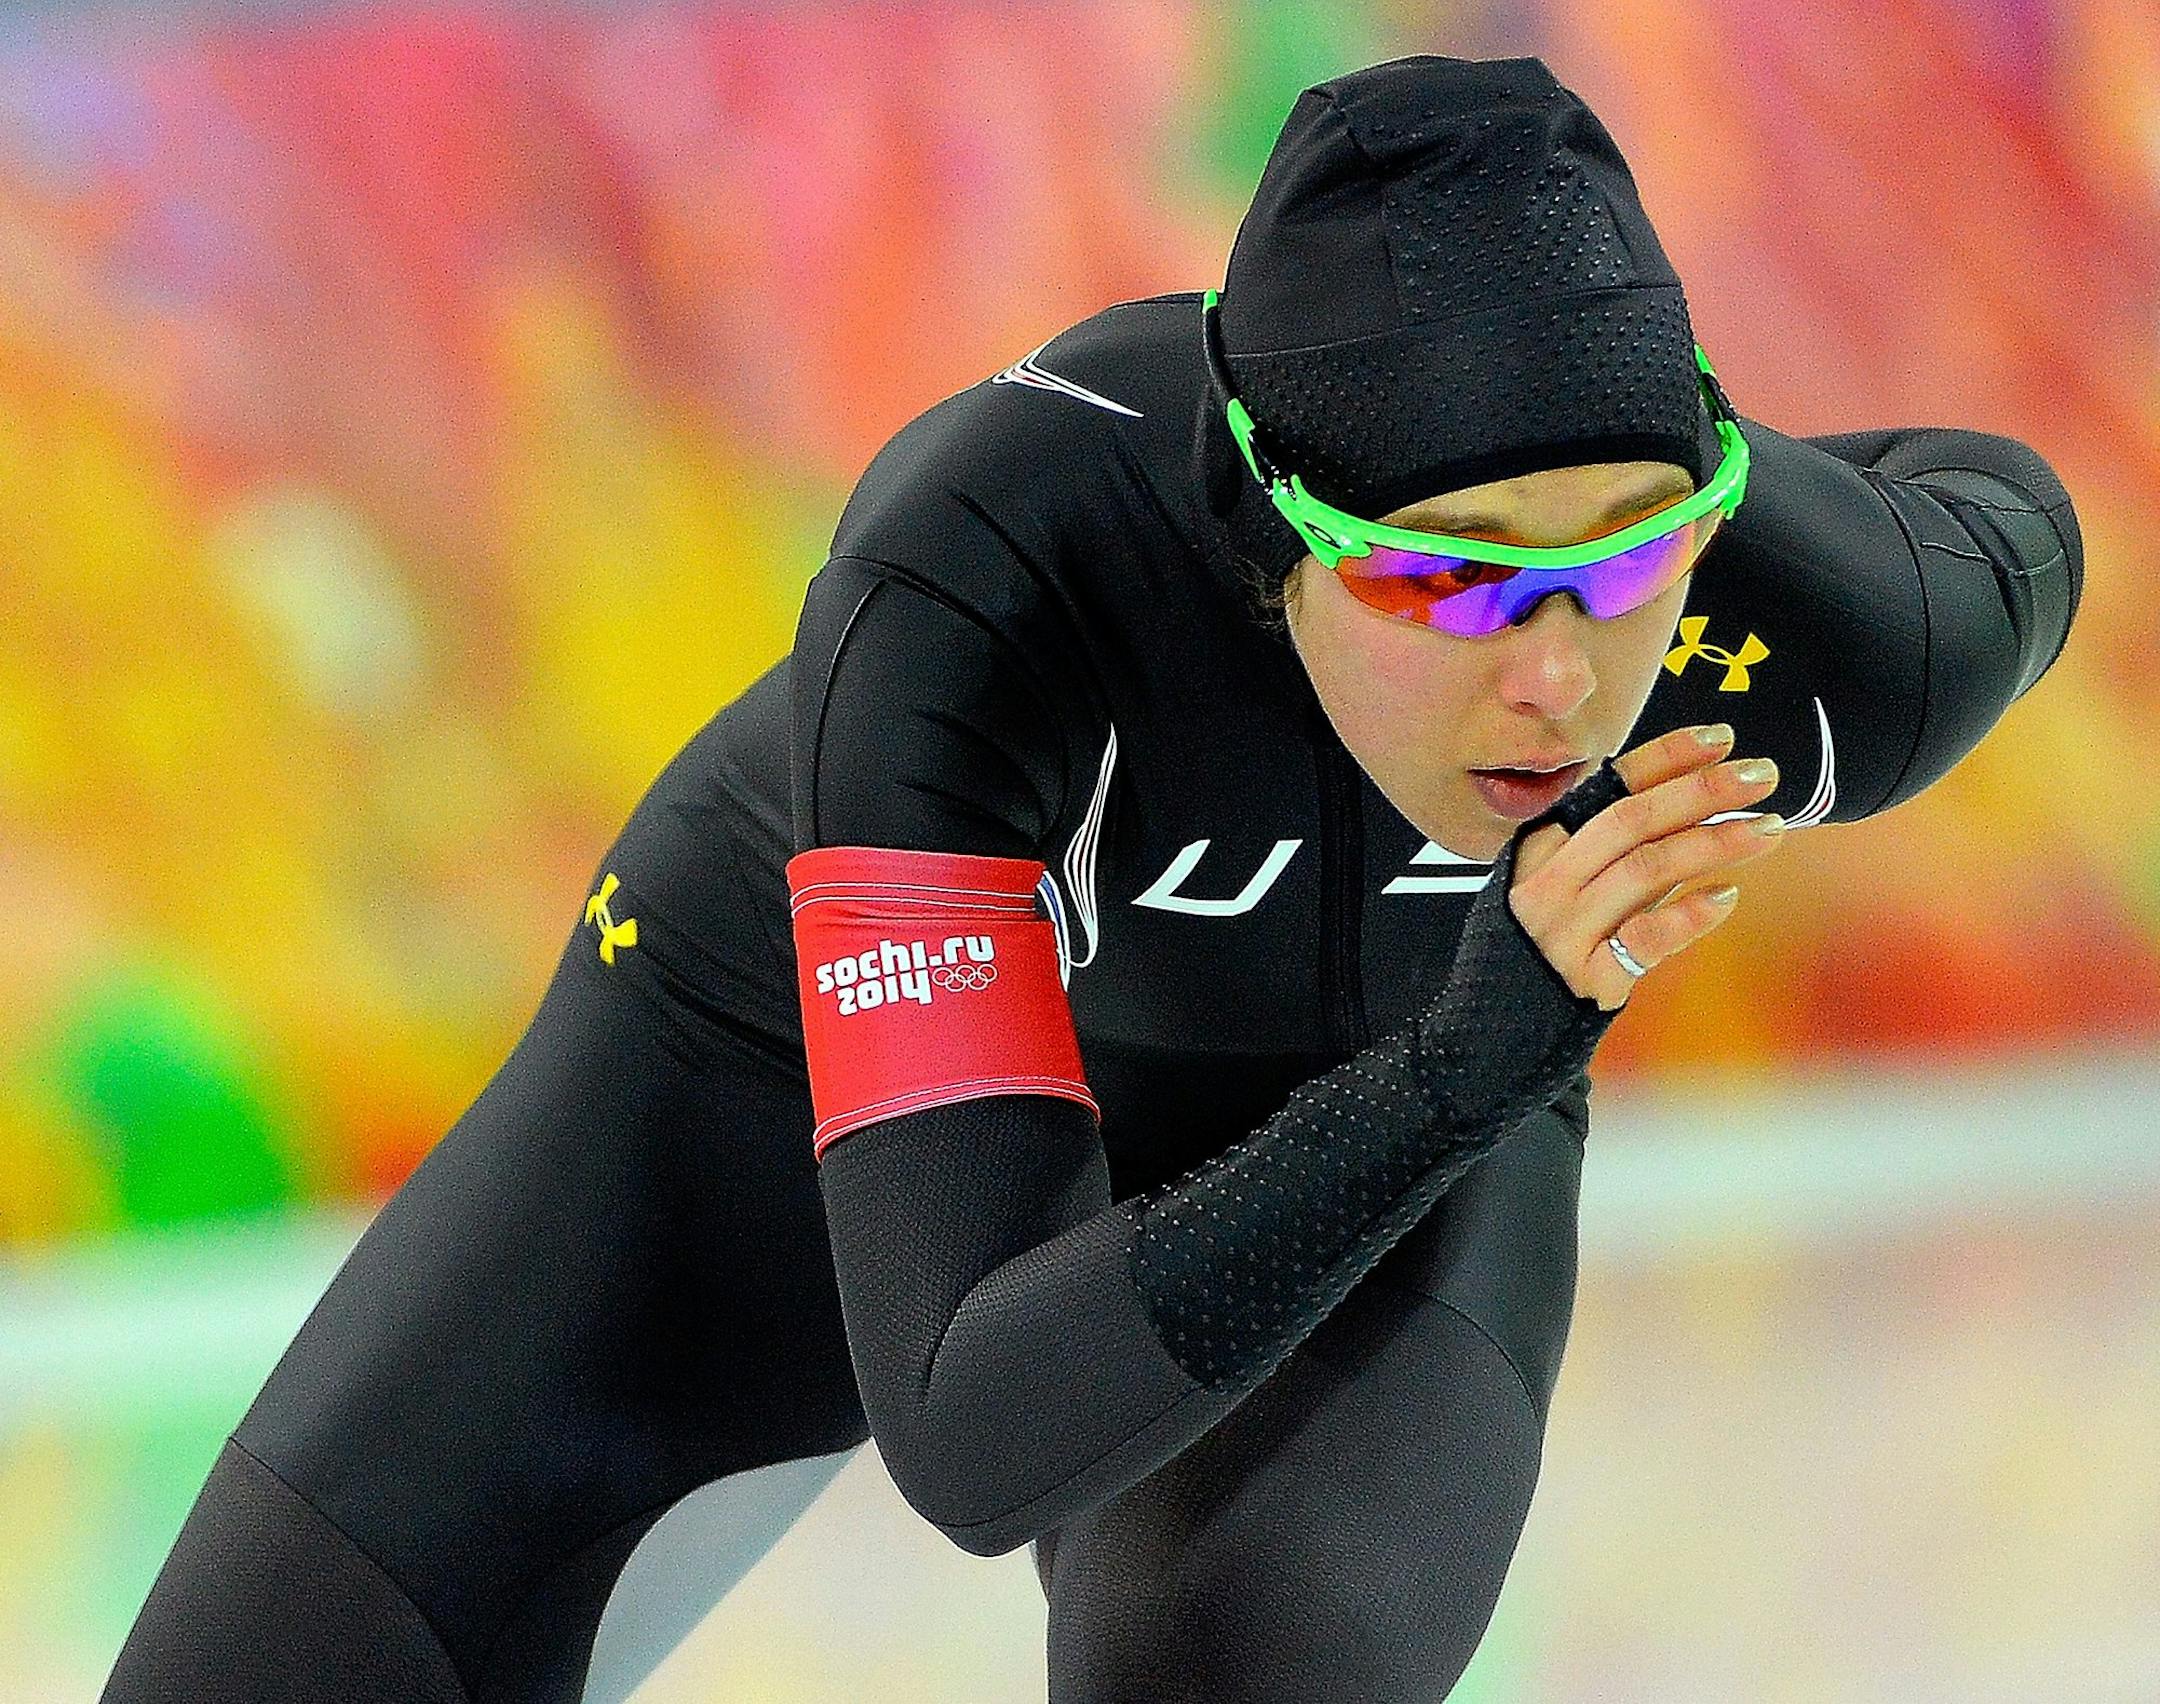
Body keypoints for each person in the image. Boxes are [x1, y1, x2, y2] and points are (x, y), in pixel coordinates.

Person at [103, 53, 2081, 1704]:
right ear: (1263, 523)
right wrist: (1468, 1067)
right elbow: (974, 1430)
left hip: (1380, 1122)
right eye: (1453, 568)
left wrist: (1464, 1071)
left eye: (1632, 552)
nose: (1556, 671)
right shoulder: (987, 578)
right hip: (763, 1081)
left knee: (1235, 1669)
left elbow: (2010, 514)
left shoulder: (1840, 636)